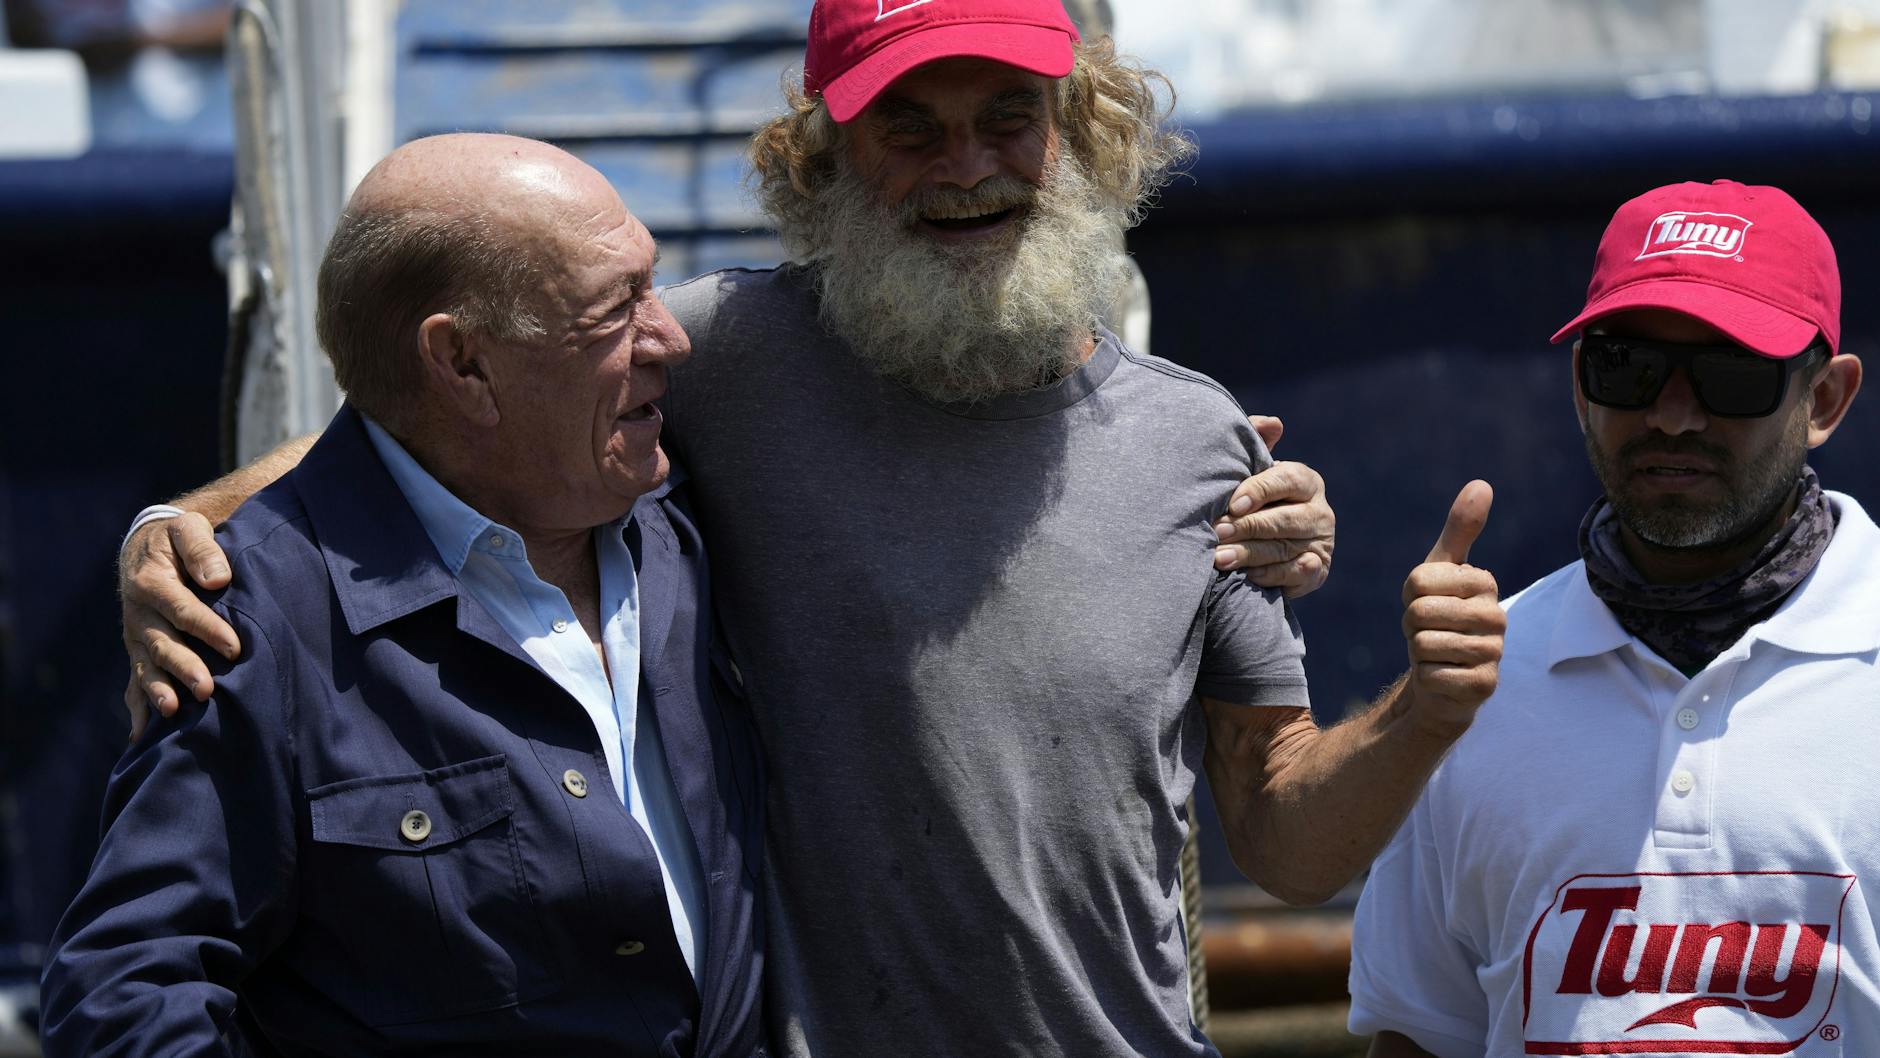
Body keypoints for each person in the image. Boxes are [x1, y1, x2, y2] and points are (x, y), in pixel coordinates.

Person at [118, 2, 1507, 1054]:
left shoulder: (1200, 439)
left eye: (1007, 116)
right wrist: (181, 521)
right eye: (912, 125)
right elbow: (428, 413)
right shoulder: (720, 359)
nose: (967, 166)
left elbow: (1289, 843)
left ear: (1076, 133)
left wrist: (1428, 707)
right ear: (826, 157)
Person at [42, 134, 767, 1057]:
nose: (672, 336)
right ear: (462, 363)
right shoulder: (260, 626)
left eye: (651, 284)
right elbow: (123, 1000)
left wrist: (166, 517)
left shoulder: (683, 499)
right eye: (617, 305)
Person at [1347, 179, 1869, 1058]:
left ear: (1823, 402)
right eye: (1626, 368)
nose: (1673, 414)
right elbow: (1421, 1033)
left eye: (1731, 374)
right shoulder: (1475, 688)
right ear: (1582, 389)